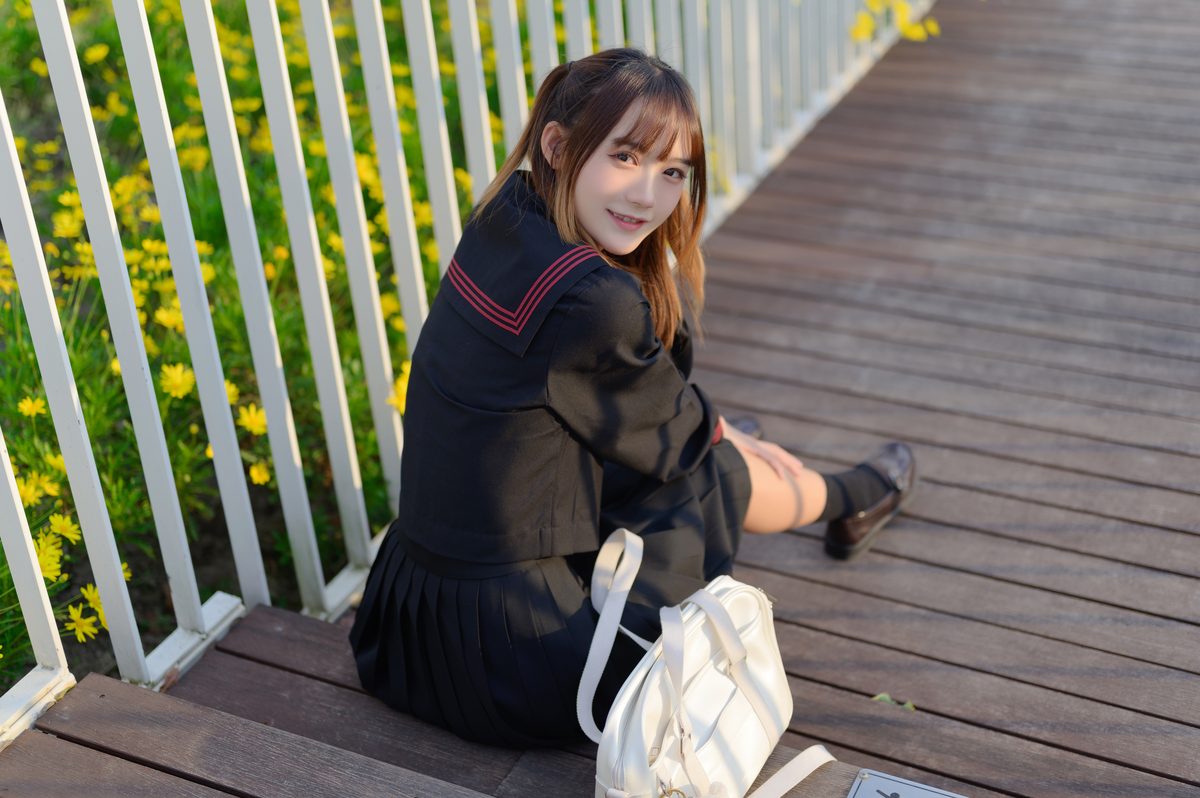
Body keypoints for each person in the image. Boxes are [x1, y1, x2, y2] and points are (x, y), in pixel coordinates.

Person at [349, 48, 916, 748]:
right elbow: (680, 439)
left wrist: (708, 426)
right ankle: (853, 497)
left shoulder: (503, 216)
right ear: (557, 146)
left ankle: (772, 460)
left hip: (410, 625)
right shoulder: (595, 301)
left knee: (700, 439)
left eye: (672, 171)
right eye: (625, 157)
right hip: (520, 660)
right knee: (706, 469)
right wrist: (719, 435)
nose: (648, 196)